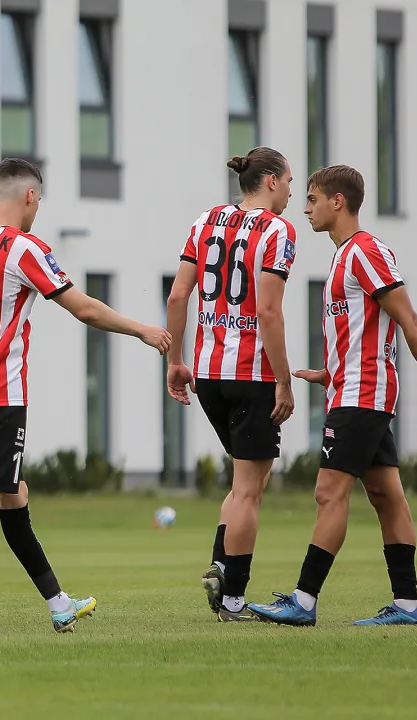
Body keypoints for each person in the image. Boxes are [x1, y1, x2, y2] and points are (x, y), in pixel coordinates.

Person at [0, 158, 171, 635]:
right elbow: (83, 308)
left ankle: (59, 604)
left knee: (12, 496)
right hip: (0, 396)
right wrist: (140, 328)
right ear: (30, 198)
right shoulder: (25, 248)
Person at [247, 165, 417, 627]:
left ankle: (303, 601)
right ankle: (407, 607)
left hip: (362, 395)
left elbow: (408, 320)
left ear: (338, 202)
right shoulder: (344, 255)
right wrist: (328, 372)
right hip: (351, 388)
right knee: (388, 496)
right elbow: (367, 332)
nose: (304, 207)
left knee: (329, 493)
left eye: (311, 199)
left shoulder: (365, 251)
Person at [166, 147, 297, 621]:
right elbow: (268, 311)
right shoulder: (278, 230)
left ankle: (221, 566)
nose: (289, 193)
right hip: (250, 373)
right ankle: (233, 595)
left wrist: (176, 360)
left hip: (207, 373)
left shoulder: (206, 221)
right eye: (287, 182)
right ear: (270, 182)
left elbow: (179, 293)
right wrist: (283, 381)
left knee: (249, 479)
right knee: (249, 489)